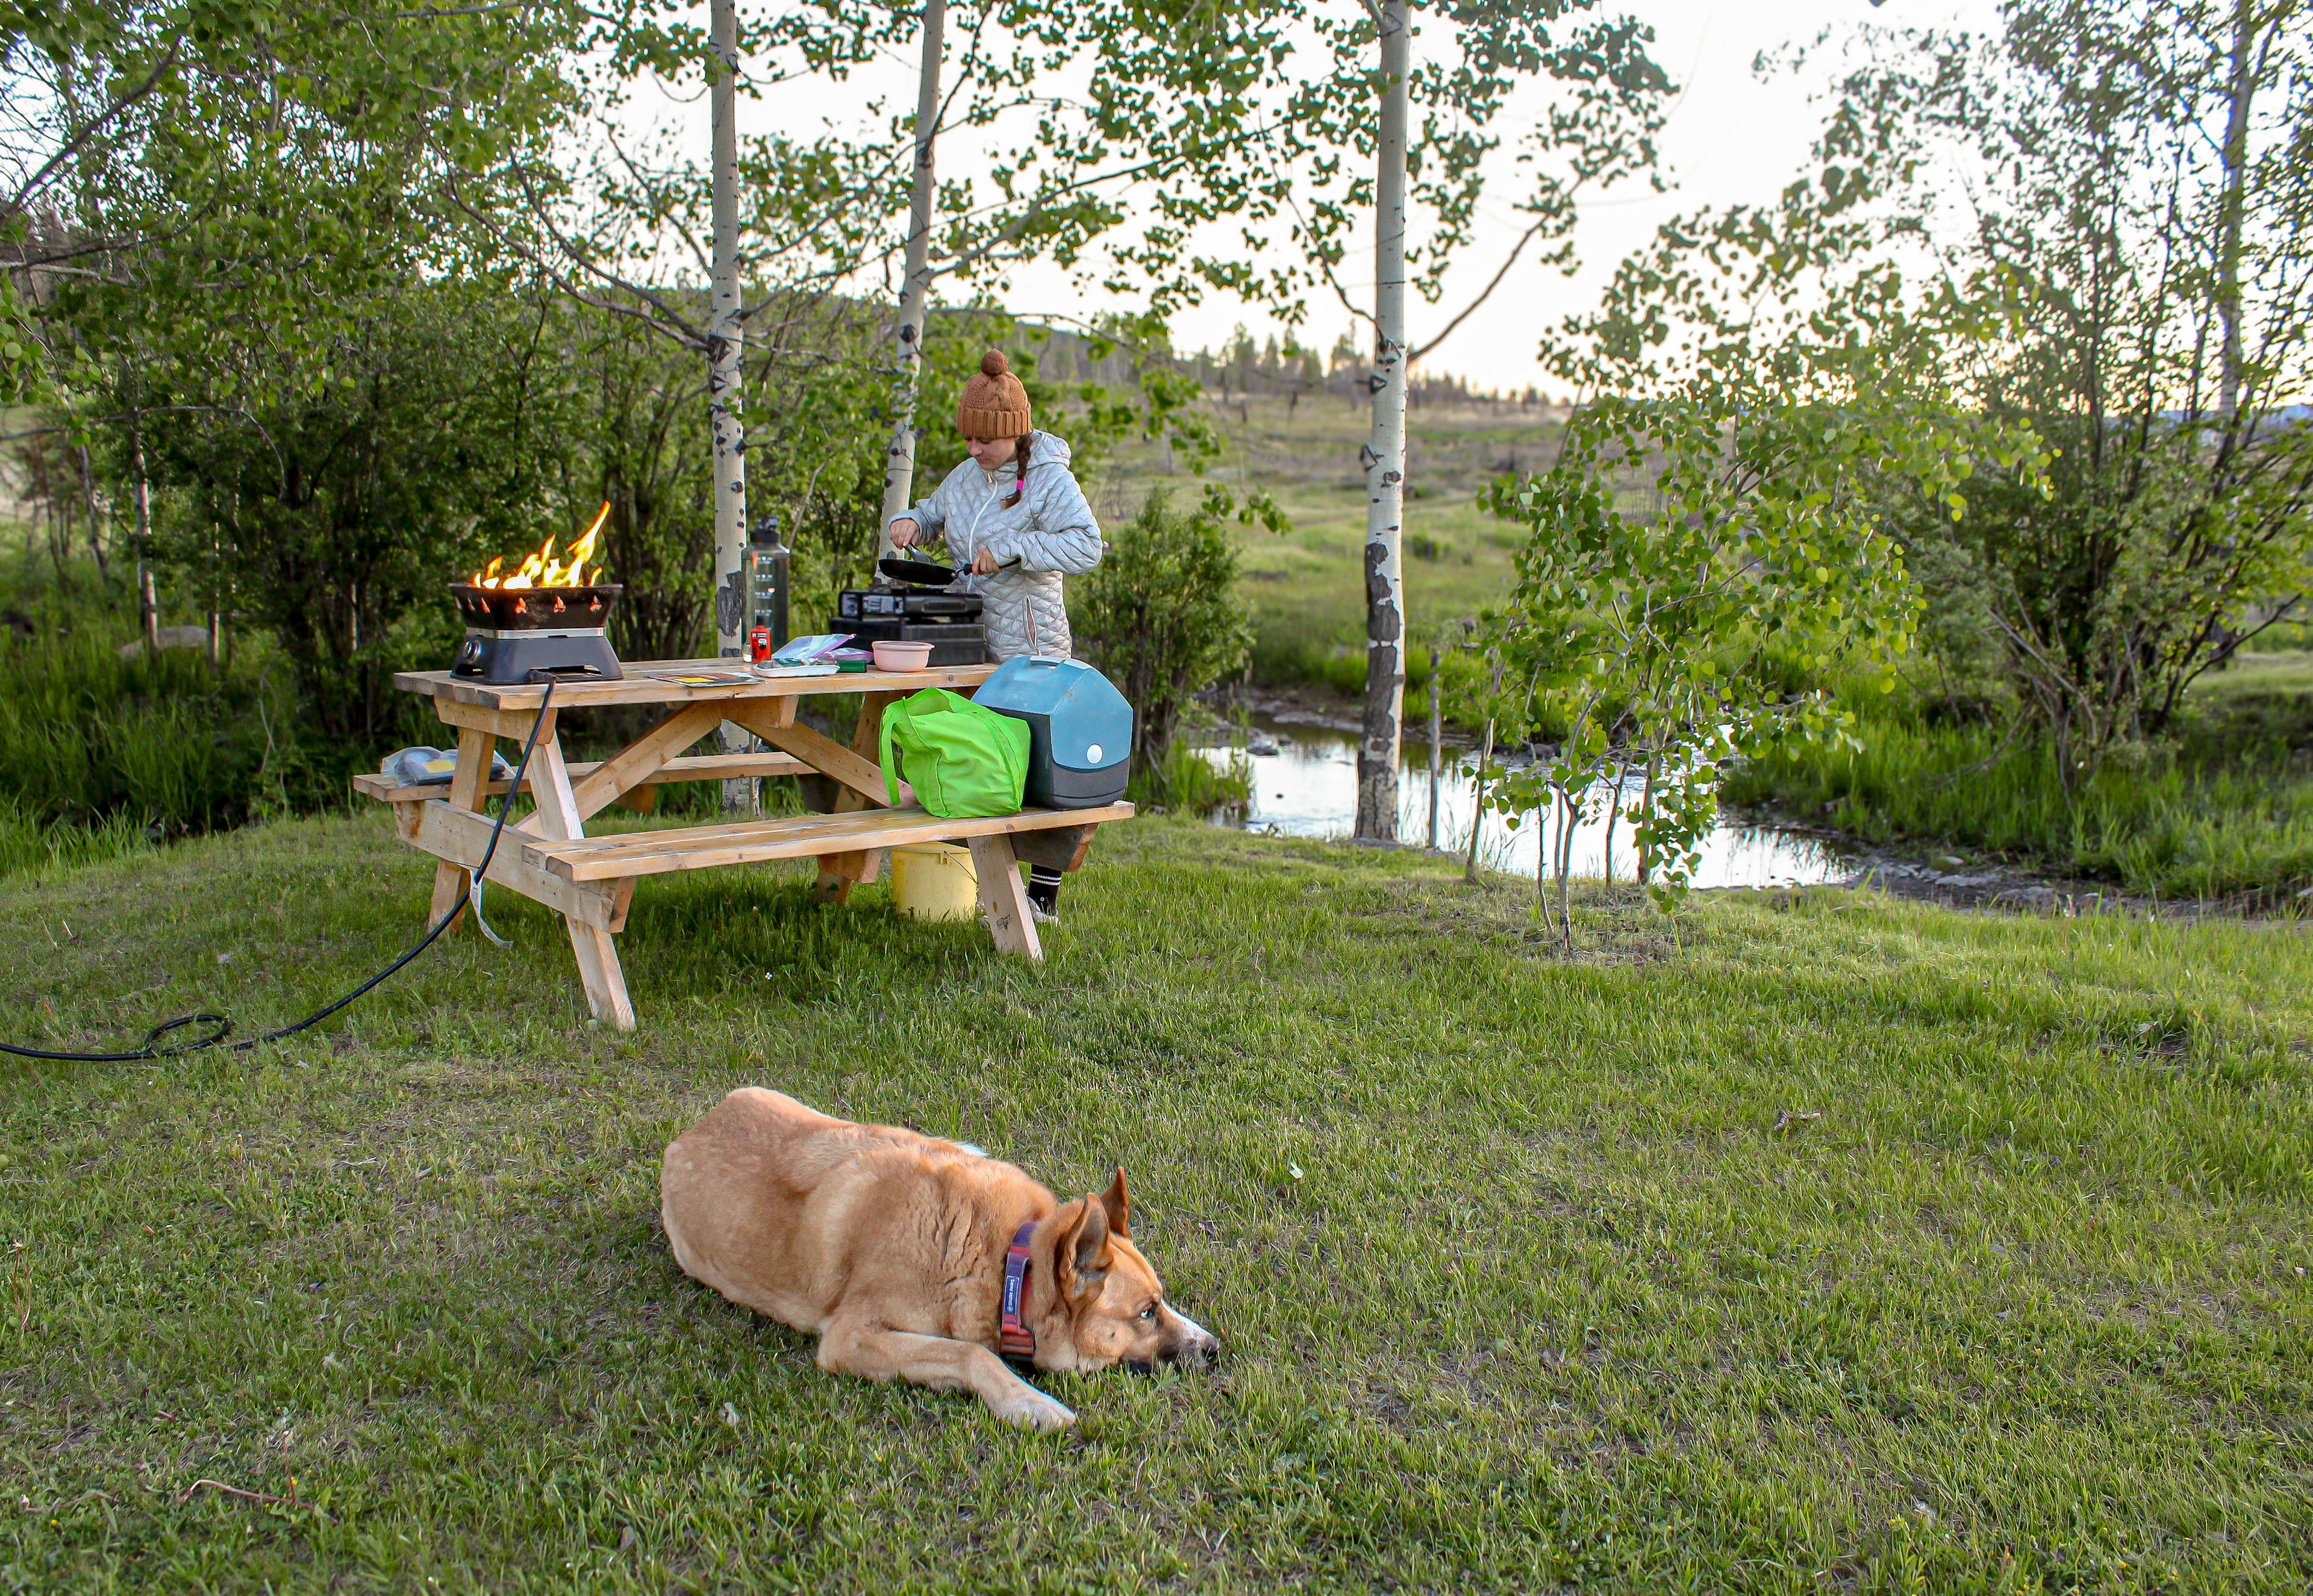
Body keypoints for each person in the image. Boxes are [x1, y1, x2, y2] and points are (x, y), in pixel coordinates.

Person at [888, 348, 1103, 922]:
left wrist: (1014, 549)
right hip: (972, 635)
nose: (973, 449)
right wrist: (912, 521)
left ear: (1014, 433)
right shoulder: (969, 473)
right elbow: (939, 510)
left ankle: (1044, 897)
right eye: (967, 439)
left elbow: (1088, 545)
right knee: (984, 760)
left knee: (1041, 766)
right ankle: (992, 881)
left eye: (983, 440)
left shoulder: (1050, 480)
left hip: (1033, 644)